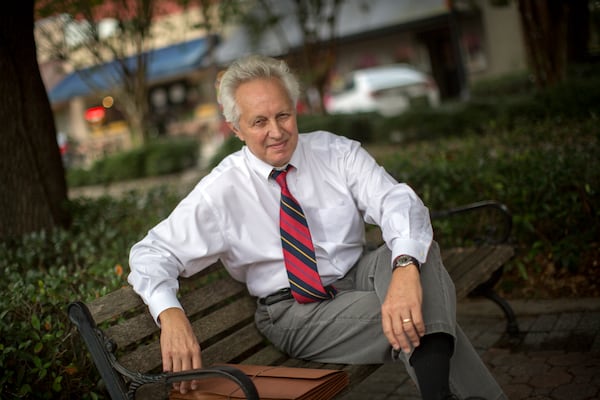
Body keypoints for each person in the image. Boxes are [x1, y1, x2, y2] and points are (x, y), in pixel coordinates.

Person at [128, 55, 506, 400]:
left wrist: (405, 269)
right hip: (295, 310)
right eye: (259, 121)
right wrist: (170, 315)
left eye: (284, 115)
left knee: (415, 255)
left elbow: (397, 202)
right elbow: (151, 253)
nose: (276, 131)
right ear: (236, 129)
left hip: (359, 272)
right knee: (422, 308)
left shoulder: (335, 152)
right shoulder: (220, 191)